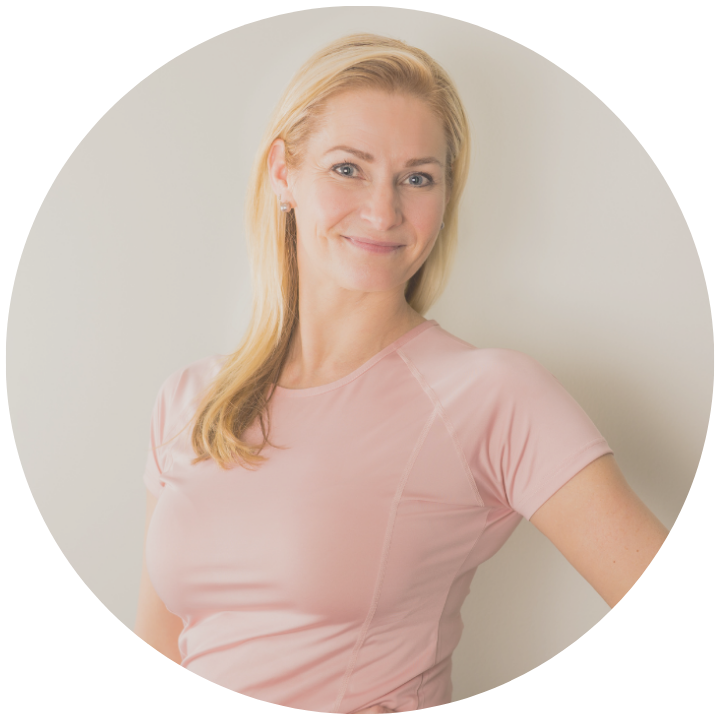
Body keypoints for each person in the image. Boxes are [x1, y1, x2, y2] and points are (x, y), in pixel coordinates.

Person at [134, 33, 689, 714]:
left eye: (417, 178)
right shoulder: (191, 400)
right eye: (348, 168)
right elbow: (157, 668)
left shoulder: (490, 395)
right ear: (283, 174)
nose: (383, 210)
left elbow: (689, 629)